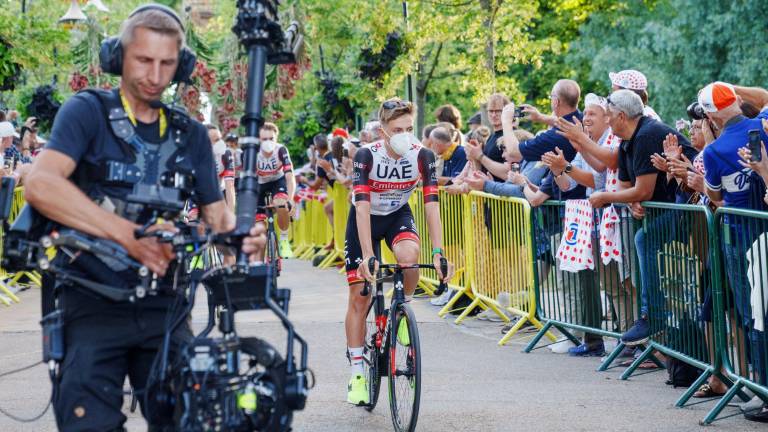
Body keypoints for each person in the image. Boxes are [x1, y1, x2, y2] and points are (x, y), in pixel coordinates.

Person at [22, 6, 265, 430]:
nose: (155, 74)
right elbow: (42, 184)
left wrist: (240, 236)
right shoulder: (86, 112)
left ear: (182, 65)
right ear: (118, 57)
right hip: (91, 302)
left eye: (167, 63)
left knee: (193, 418)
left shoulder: (190, 134)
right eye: (143, 60)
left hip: (166, 308)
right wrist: (128, 235)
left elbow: (216, 217)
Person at [344, 97, 453, 405]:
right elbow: (362, 208)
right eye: (397, 129)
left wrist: (438, 251)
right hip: (365, 220)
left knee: (409, 260)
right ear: (383, 131)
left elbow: (432, 207)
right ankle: (356, 373)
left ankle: (399, 310)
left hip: (397, 215)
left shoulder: (424, 156)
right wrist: (368, 255)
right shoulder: (367, 155)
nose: (405, 134)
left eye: (409, 127)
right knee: (360, 294)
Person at [588, 89, 697, 347]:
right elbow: (629, 187)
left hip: (688, 203)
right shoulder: (627, 141)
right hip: (669, 206)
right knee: (643, 240)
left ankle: (654, 315)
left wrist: (606, 196)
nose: (606, 120)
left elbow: (643, 189)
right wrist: (634, 201)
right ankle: (652, 317)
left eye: (608, 115)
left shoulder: (647, 135)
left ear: (622, 116)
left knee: (644, 239)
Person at [698, 82, 768, 422]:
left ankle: (763, 388)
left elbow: (716, 197)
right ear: (738, 101)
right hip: (761, 231)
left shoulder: (715, 151)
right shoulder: (762, 125)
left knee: (752, 313)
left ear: (710, 115)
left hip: (741, 237)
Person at [484, 79, 583, 171]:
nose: (493, 114)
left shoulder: (552, 137)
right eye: (491, 111)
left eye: (551, 97)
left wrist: (506, 121)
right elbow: (563, 122)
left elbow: (514, 152)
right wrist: (540, 117)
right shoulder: (581, 119)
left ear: (556, 102)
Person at [257, 121, 296, 258]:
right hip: (259, 184)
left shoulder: (281, 150)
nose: (268, 142)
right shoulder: (252, 152)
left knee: (281, 203)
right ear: (258, 140)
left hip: (276, 181)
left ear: (276, 139)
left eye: (271, 139)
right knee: (259, 228)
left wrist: (290, 199)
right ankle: (259, 264)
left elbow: (290, 177)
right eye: (264, 139)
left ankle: (284, 240)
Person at [207, 124, 236, 211]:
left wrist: (231, 214)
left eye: (219, 139)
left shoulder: (226, 154)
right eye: (215, 140)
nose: (220, 143)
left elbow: (230, 186)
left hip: (219, 191)